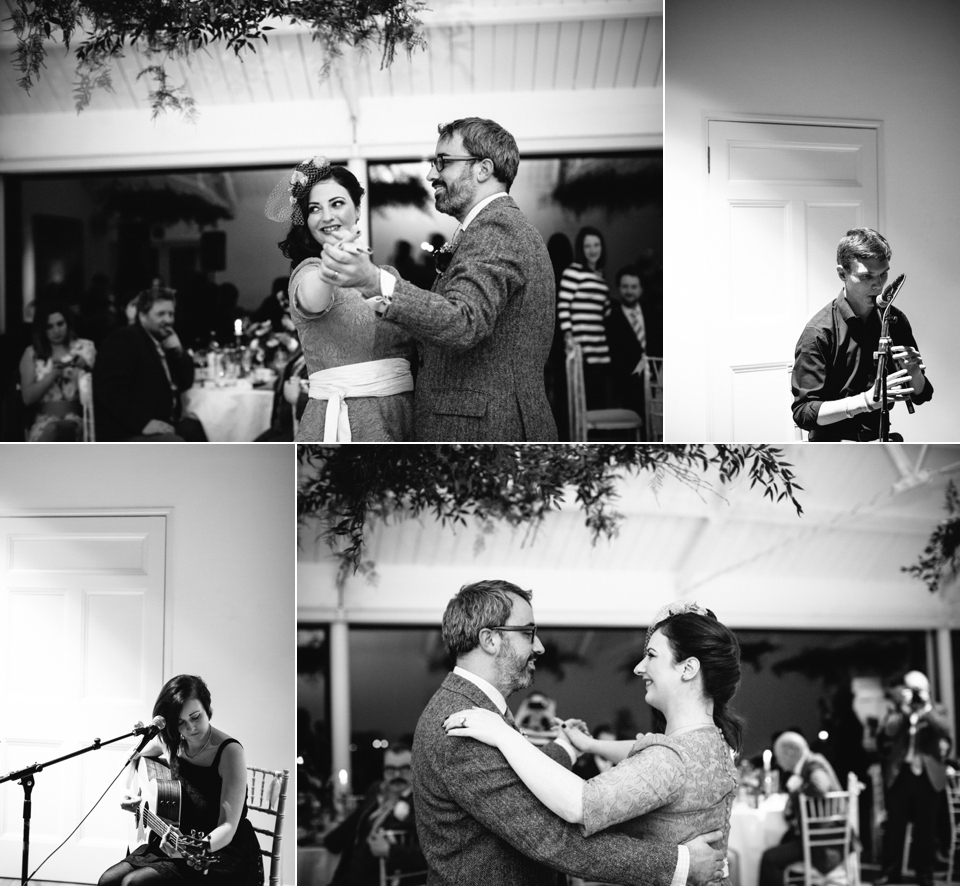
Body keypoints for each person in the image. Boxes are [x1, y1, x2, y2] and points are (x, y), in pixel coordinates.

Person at [413, 579, 727, 886]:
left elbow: (511, 781)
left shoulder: (479, 712)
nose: (539, 646)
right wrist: (678, 864)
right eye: (528, 632)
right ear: (490, 639)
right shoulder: (461, 725)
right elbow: (550, 838)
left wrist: (567, 747)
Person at [316, 118, 558, 442]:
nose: (431, 174)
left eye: (442, 162)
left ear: (483, 169)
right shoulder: (491, 228)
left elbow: (463, 321)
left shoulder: (496, 229)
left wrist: (377, 281)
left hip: (485, 432)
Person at [266, 158, 415, 442]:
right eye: (314, 209)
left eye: (336, 203)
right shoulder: (308, 273)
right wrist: (330, 262)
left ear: (357, 209)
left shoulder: (388, 275)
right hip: (345, 420)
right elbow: (312, 300)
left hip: (402, 416)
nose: (325, 216)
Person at [98, 674, 263, 886]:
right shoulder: (173, 742)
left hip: (216, 851)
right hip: (171, 838)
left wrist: (195, 849)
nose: (190, 728)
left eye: (195, 717)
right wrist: (124, 790)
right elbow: (131, 754)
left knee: (133, 884)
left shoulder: (230, 752)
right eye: (180, 722)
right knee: (107, 881)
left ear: (207, 709)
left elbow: (228, 827)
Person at [792, 227, 933, 441]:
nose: (878, 285)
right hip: (833, 444)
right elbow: (804, 413)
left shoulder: (894, 320)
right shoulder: (818, 332)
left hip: (881, 437)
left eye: (883, 274)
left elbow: (921, 395)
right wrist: (866, 401)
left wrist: (914, 372)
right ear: (842, 274)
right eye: (866, 276)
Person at [94, 285, 205, 442]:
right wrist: (144, 423)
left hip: (165, 421)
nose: (167, 320)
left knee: (200, 429)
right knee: (175, 442)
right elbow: (110, 391)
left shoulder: (162, 339)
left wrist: (178, 351)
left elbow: (186, 382)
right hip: (128, 430)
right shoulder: (125, 339)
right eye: (161, 314)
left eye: (170, 314)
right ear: (143, 316)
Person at [874, 671, 950, 886]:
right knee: (895, 827)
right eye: (911, 689)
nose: (915, 694)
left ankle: (924, 874)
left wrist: (926, 709)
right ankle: (891, 873)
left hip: (928, 777)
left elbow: (944, 729)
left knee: (926, 829)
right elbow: (889, 732)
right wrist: (905, 709)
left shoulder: (937, 708)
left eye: (919, 690)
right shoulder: (896, 710)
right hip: (901, 775)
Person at [322, 742, 426, 885]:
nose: (396, 775)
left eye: (404, 769)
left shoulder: (423, 804)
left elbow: (434, 853)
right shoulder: (376, 791)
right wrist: (324, 839)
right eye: (390, 769)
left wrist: (390, 850)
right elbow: (354, 823)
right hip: (348, 877)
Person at [758, 732, 842, 886]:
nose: (778, 761)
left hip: (823, 844)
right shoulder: (812, 762)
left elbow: (819, 786)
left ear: (789, 752)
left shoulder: (814, 764)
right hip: (822, 839)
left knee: (769, 858)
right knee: (781, 842)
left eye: (778, 756)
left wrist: (797, 790)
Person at [19, 301, 96, 441]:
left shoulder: (85, 348)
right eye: (49, 327)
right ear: (42, 329)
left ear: (68, 323)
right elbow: (27, 398)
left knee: (62, 429)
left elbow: (102, 388)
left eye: (60, 324)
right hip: (44, 420)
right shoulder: (32, 354)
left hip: (80, 418)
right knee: (53, 430)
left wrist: (85, 368)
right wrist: (52, 375)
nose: (56, 331)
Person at [558, 226, 613, 408]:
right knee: (582, 404)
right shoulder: (574, 271)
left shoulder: (600, 277)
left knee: (599, 402)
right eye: (587, 246)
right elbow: (564, 305)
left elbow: (605, 314)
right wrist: (568, 338)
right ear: (581, 249)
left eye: (596, 245)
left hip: (601, 351)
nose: (593, 250)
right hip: (581, 350)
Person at [605, 265, 648, 416]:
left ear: (641, 289)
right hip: (626, 389)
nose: (629, 291)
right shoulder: (611, 319)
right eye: (625, 287)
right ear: (618, 288)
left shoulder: (656, 315)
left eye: (634, 287)